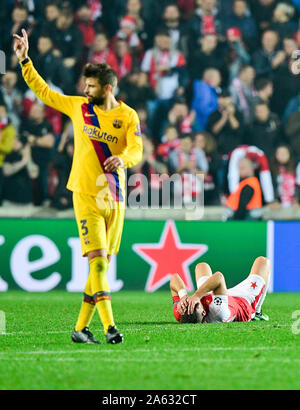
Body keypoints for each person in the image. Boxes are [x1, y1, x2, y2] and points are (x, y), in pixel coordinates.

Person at [14, 29, 143, 344]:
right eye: (85, 85)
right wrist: (24, 60)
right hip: (85, 195)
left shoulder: (127, 116)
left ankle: (80, 329)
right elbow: (44, 92)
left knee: (101, 267)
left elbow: (138, 150)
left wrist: (123, 159)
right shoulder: (78, 107)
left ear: (107, 88)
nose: (86, 90)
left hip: (116, 198)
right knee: (98, 262)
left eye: (92, 86)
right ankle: (110, 327)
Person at [170, 256, 270, 324]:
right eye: (194, 304)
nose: (190, 301)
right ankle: (257, 311)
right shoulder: (218, 312)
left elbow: (174, 278)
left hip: (217, 295)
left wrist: (183, 296)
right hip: (243, 300)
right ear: (204, 313)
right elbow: (219, 277)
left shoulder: (180, 312)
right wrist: (196, 296)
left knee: (201, 266)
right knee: (263, 261)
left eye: (187, 303)